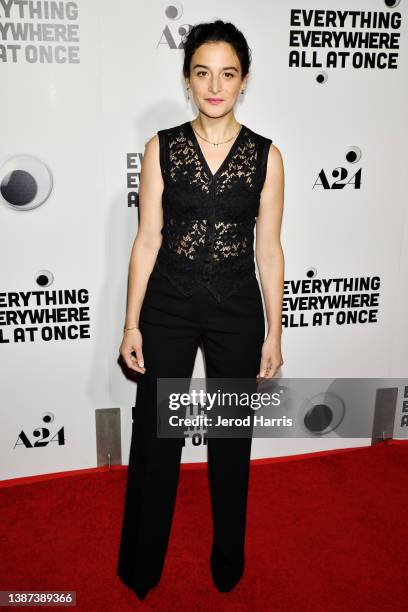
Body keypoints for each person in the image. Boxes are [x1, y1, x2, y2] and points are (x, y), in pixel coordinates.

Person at [116, 19, 285, 602]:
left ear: (244, 80)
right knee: (157, 439)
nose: (216, 85)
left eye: (228, 73)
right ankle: (141, 566)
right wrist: (132, 323)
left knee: (231, 442)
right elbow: (146, 240)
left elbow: (268, 248)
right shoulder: (161, 146)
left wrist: (275, 332)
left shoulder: (267, 156)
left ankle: (228, 561)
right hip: (167, 305)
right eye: (202, 73)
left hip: (238, 308)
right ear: (187, 79)